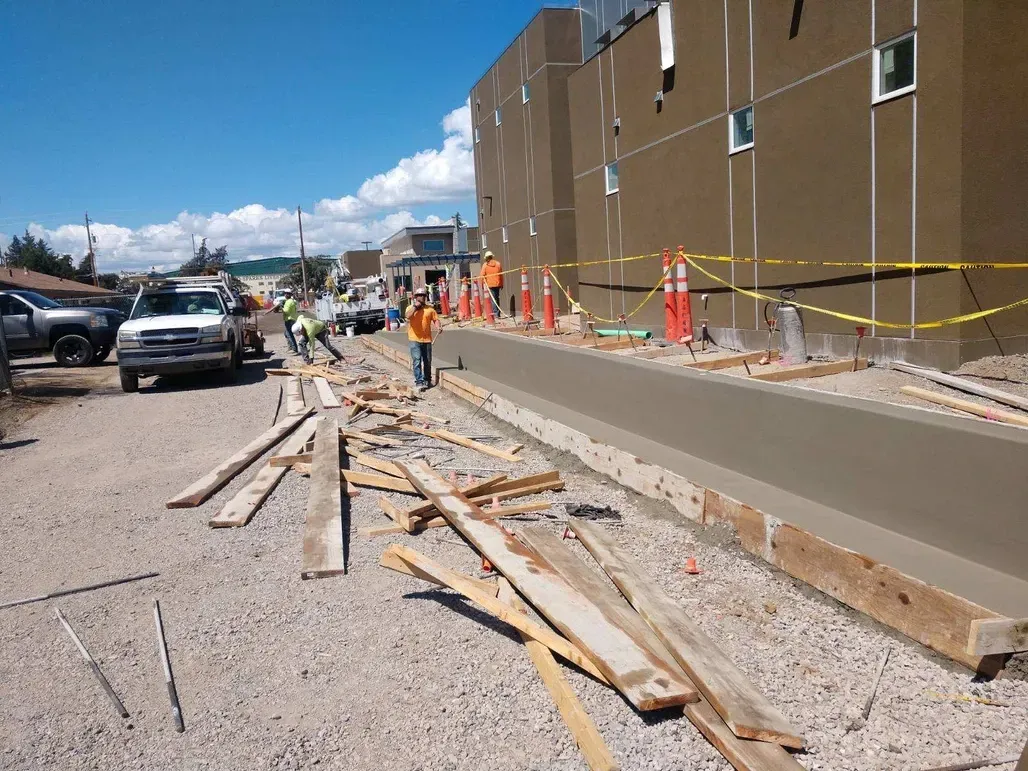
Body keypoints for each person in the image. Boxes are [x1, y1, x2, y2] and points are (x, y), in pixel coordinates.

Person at [404, 287, 441, 391]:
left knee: (427, 361)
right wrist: (415, 307)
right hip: (414, 339)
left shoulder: (430, 309)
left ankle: (427, 380)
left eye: (424, 296)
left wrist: (438, 326)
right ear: (416, 297)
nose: (422, 297)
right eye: (419, 296)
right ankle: (419, 381)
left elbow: (436, 320)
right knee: (417, 360)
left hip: (427, 339)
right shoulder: (410, 308)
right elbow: (407, 316)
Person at [264, 288, 299, 354]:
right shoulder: (290, 301)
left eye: (286, 294)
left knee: (289, 334)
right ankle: (291, 347)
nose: (285, 295)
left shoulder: (289, 302)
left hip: (289, 319)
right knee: (286, 334)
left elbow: (286, 311)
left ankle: (294, 349)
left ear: (289, 295)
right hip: (290, 319)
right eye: (285, 293)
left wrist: (281, 307)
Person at [479, 250, 503, 316]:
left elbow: (482, 276)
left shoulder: (485, 265)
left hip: (490, 285)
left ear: (486, 258)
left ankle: (495, 314)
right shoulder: (498, 264)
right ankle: (498, 313)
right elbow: (501, 275)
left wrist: (482, 285)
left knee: (493, 299)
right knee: (497, 298)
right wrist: (501, 284)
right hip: (497, 284)